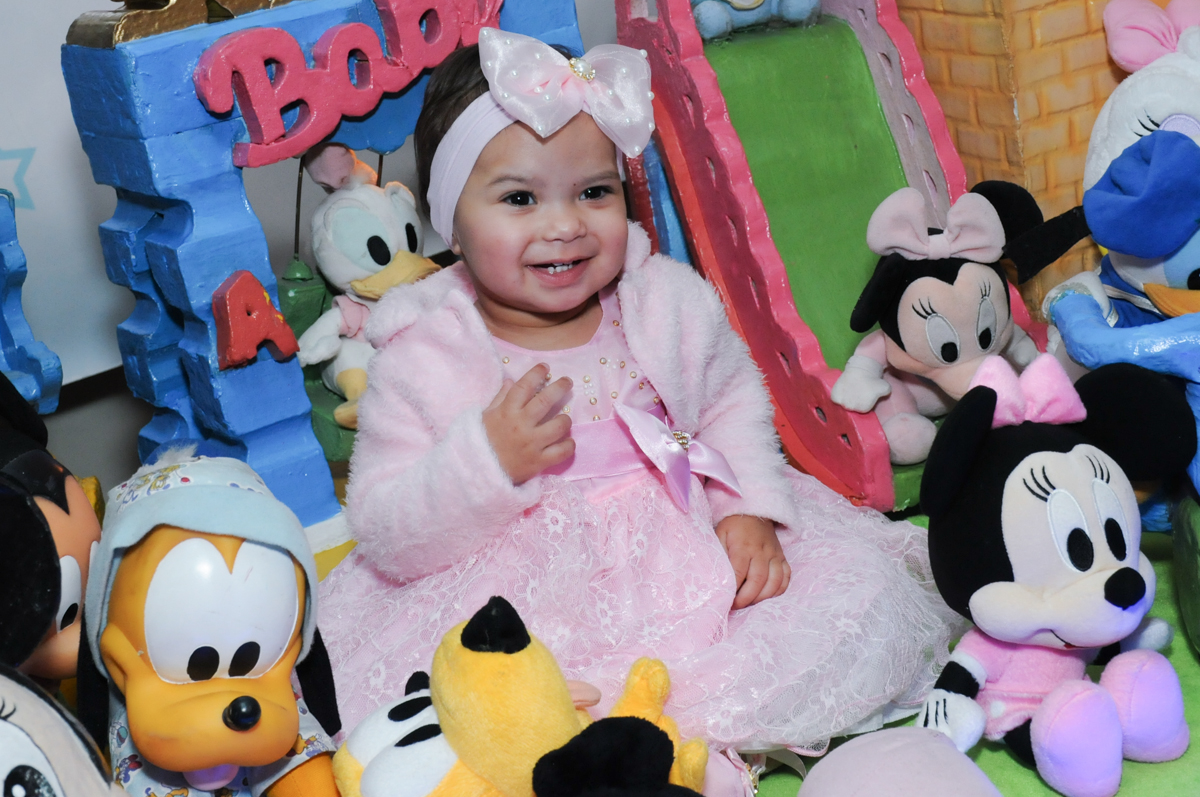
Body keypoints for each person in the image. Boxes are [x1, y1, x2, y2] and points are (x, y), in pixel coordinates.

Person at [319, 29, 961, 789]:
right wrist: (485, 461)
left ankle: (696, 745)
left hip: (677, 543)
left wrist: (745, 508)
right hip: (525, 582)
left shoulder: (659, 300)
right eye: (520, 198)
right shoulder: (426, 351)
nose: (564, 224)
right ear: (450, 221)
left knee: (842, 605)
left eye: (594, 192)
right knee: (486, 707)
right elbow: (386, 523)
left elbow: (730, 404)